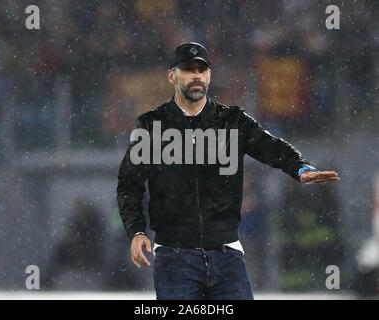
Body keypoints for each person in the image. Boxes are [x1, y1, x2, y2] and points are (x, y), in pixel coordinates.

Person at [117, 42, 340, 300]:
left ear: (210, 75)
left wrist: (300, 168)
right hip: (174, 256)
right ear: (171, 75)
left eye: (202, 69)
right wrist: (137, 231)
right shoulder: (151, 125)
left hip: (227, 255)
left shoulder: (233, 121)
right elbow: (128, 184)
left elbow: (272, 146)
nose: (197, 75)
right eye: (189, 69)